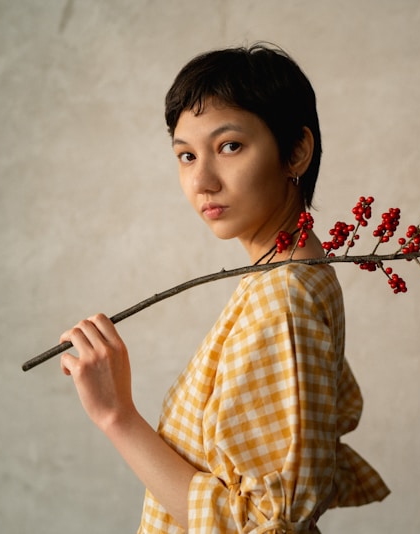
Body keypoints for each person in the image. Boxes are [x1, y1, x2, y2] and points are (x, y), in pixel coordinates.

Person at [59, 43, 389, 533]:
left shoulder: (284, 301)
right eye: (186, 155)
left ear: (296, 150)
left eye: (229, 146)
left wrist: (117, 416)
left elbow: (261, 524)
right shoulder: (291, 273)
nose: (202, 181)